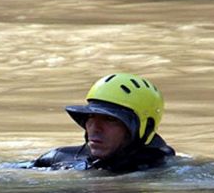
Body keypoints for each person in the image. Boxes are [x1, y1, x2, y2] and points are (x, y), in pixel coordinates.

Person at [27, 72, 175, 173]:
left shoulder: (163, 169)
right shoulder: (58, 158)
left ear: (145, 128)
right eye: (91, 116)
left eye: (110, 119)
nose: (95, 128)